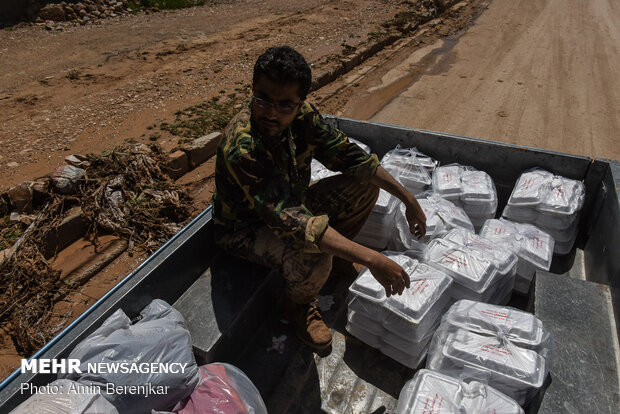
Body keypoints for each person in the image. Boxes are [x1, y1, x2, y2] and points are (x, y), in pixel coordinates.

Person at [212, 45, 426, 350]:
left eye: (285, 105)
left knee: (364, 187)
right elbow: (294, 223)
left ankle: (336, 261)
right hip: (244, 229)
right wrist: (372, 257)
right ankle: (298, 305)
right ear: (252, 91)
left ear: (299, 103)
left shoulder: (304, 118)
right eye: (263, 100)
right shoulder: (244, 146)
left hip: (290, 207)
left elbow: (352, 158)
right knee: (313, 252)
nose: (272, 113)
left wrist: (409, 200)